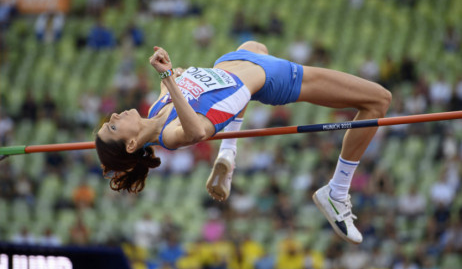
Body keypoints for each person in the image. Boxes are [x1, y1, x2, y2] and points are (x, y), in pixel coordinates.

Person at [95, 41, 392, 244]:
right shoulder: (170, 135)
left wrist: (171, 71)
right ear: (131, 144)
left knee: (254, 45)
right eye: (113, 126)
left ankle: (228, 152)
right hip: (274, 78)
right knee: (379, 100)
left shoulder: (155, 110)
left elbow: (177, 84)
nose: (114, 114)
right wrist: (170, 78)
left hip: (235, 62)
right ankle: (336, 192)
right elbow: (197, 131)